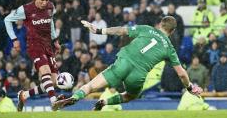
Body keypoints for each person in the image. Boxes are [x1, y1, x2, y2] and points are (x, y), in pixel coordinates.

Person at [53, 16, 203, 110]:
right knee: (131, 95)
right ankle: (105, 102)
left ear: (160, 24)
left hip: (124, 62)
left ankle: (75, 97)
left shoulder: (146, 29)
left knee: (91, 86)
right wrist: (189, 87)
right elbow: (182, 74)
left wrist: (99, 31)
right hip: (138, 74)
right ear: (173, 31)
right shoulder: (170, 48)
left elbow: (121, 30)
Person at [4, 0, 62, 111]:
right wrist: (14, 39)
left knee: (54, 81)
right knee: (45, 71)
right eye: (42, 0)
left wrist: (55, 40)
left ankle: (24, 95)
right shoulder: (25, 9)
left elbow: (50, 22)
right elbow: (7, 19)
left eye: (47, 0)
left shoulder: (51, 7)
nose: (44, 3)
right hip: (34, 45)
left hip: (48, 45)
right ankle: (54, 101)